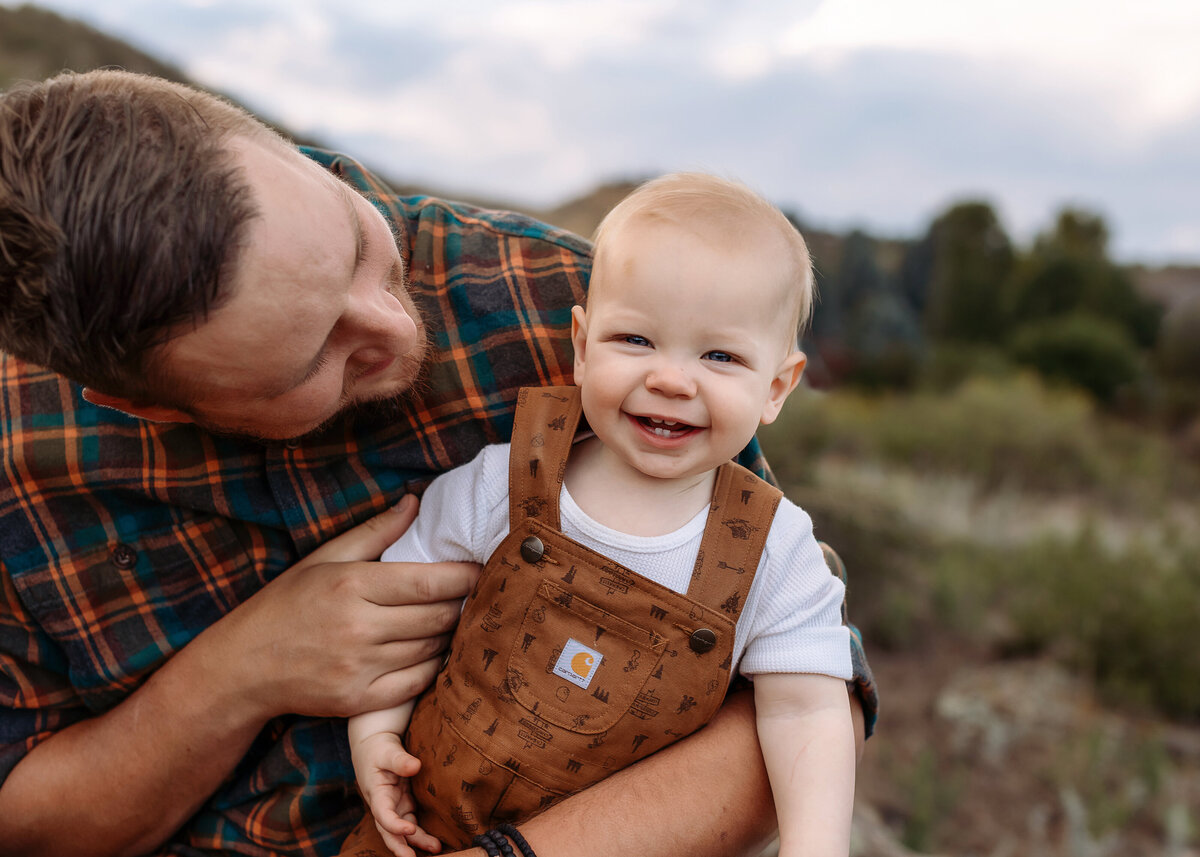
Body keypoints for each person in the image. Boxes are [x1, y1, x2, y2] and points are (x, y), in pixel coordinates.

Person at [0, 69, 877, 857]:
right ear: (148, 407)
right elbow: (28, 822)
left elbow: (792, 692)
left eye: (356, 245)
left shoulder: (572, 299)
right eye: (318, 359)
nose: (395, 326)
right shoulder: (24, 463)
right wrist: (240, 673)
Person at [349, 173, 855, 857]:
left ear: (776, 387)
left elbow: (808, 708)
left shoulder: (774, 547)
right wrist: (375, 731)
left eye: (719, 355)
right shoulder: (506, 477)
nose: (672, 379)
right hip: (428, 830)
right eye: (637, 341)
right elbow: (397, 618)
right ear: (583, 347)